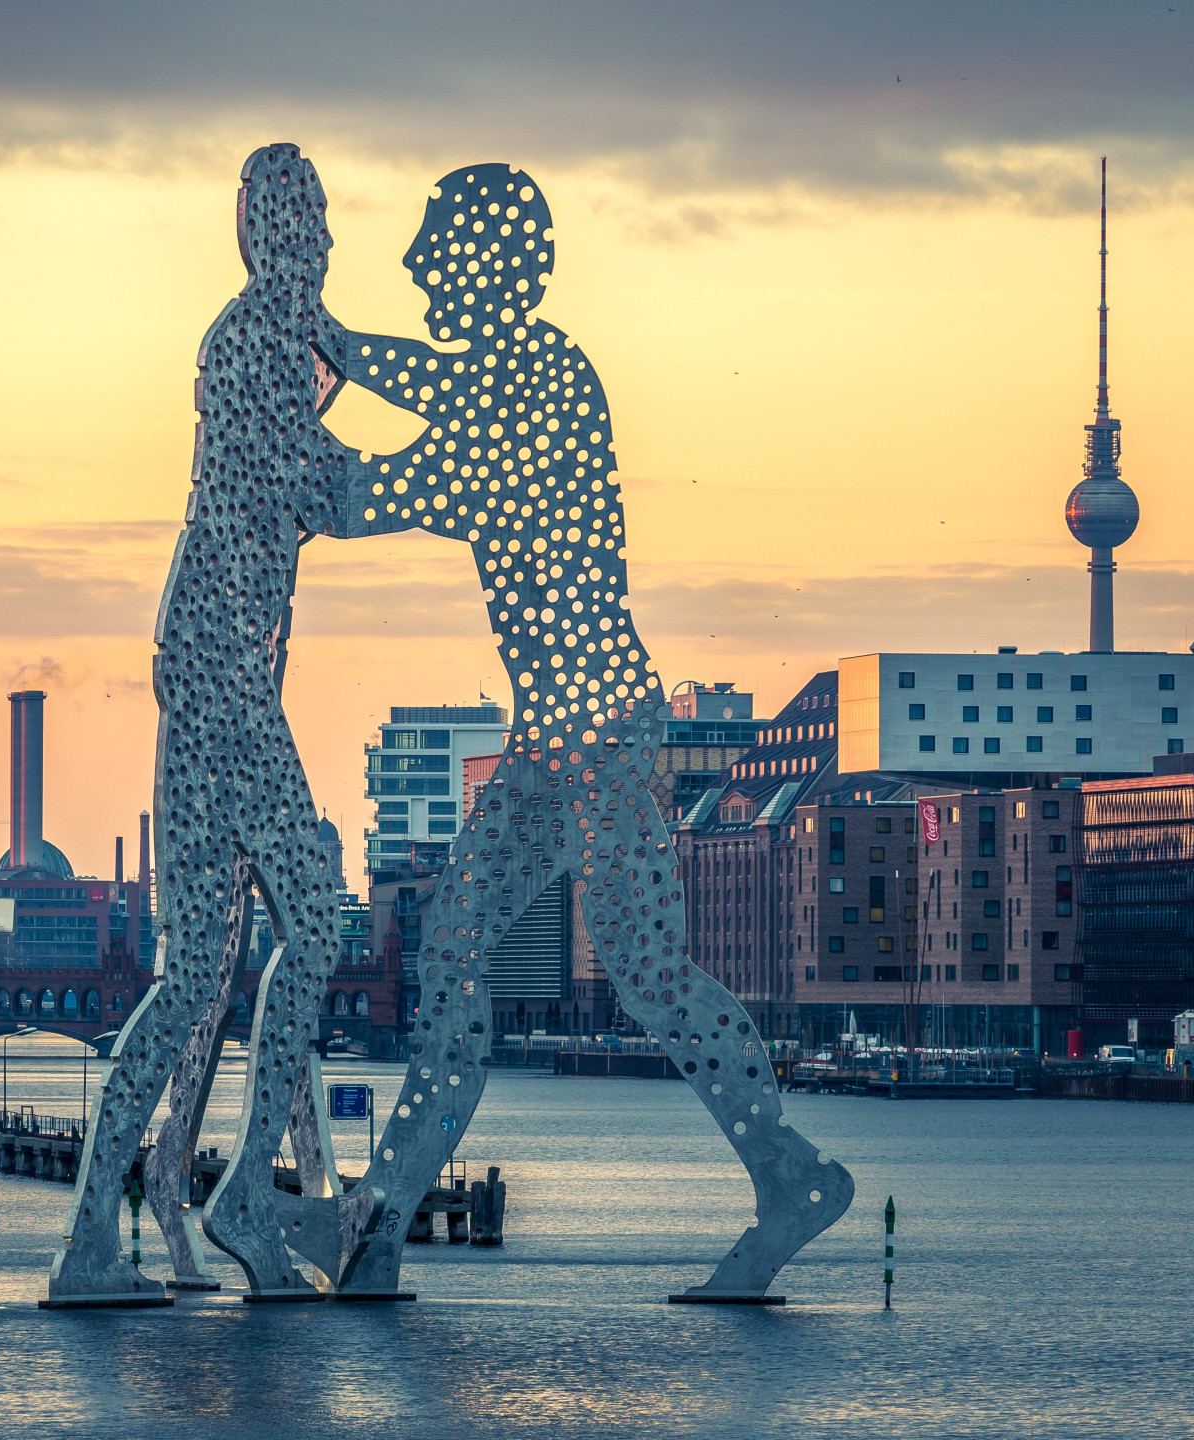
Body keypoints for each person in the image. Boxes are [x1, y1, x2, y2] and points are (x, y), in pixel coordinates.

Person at [324, 165, 854, 1299]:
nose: (416, 266)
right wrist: (335, 342)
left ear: (489, 263)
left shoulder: (542, 386)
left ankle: (791, 1175)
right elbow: (430, 381)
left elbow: (390, 488)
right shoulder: (514, 376)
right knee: (456, 958)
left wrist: (282, 449)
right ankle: (373, 1225)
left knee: (645, 973)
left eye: (434, 247)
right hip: (556, 746)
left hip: (600, 741)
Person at [47, 143, 361, 1306]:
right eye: (304, 222)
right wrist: (471, 473)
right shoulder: (260, 343)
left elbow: (320, 432)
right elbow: (330, 486)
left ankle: (109, 1234)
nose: (322, 241)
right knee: (312, 932)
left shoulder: (271, 341)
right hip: (225, 685)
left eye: (323, 220)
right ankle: (232, 1205)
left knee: (196, 975)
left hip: (208, 680)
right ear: (260, 232)